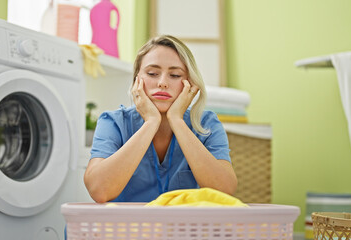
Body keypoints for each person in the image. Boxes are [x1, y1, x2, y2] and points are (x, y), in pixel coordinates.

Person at [84, 35, 237, 203]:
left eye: (175, 75)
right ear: (137, 80)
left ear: (190, 83)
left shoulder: (206, 124)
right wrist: (151, 123)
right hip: (125, 227)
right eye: (152, 73)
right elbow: (99, 191)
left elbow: (225, 190)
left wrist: (177, 120)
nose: (163, 83)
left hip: (181, 228)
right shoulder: (113, 123)